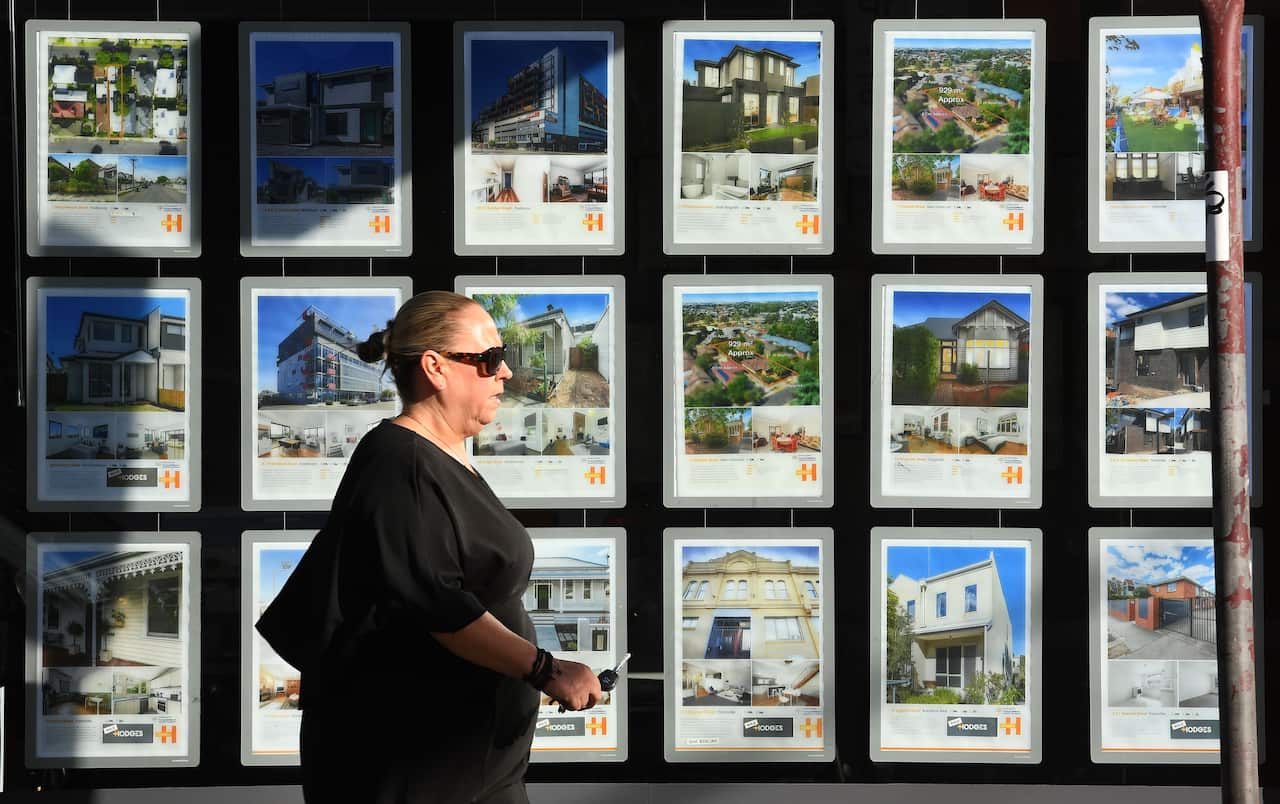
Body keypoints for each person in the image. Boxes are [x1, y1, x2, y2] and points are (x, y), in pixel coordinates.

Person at [255, 290, 602, 804]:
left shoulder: (439, 458)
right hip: (413, 770)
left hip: (472, 765)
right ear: (435, 368)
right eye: (488, 359)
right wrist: (547, 670)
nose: (504, 372)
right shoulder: (401, 464)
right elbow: (439, 604)